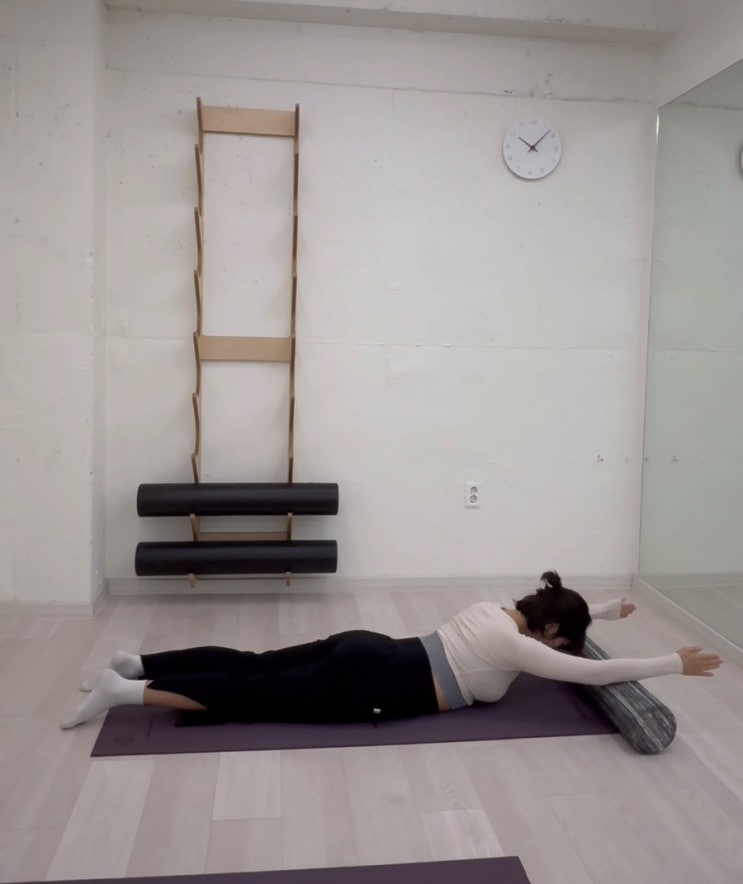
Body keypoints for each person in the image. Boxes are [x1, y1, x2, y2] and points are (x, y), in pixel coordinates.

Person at [61, 570, 722, 729]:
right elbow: (597, 671)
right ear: (551, 635)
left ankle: (137, 662)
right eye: (566, 637)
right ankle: (127, 691)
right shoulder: (521, 650)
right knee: (249, 696)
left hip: (368, 646)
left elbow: (560, 616)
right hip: (373, 686)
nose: (566, 646)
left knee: (252, 662)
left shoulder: (493, 610)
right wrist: (672, 663)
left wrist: (600, 609)